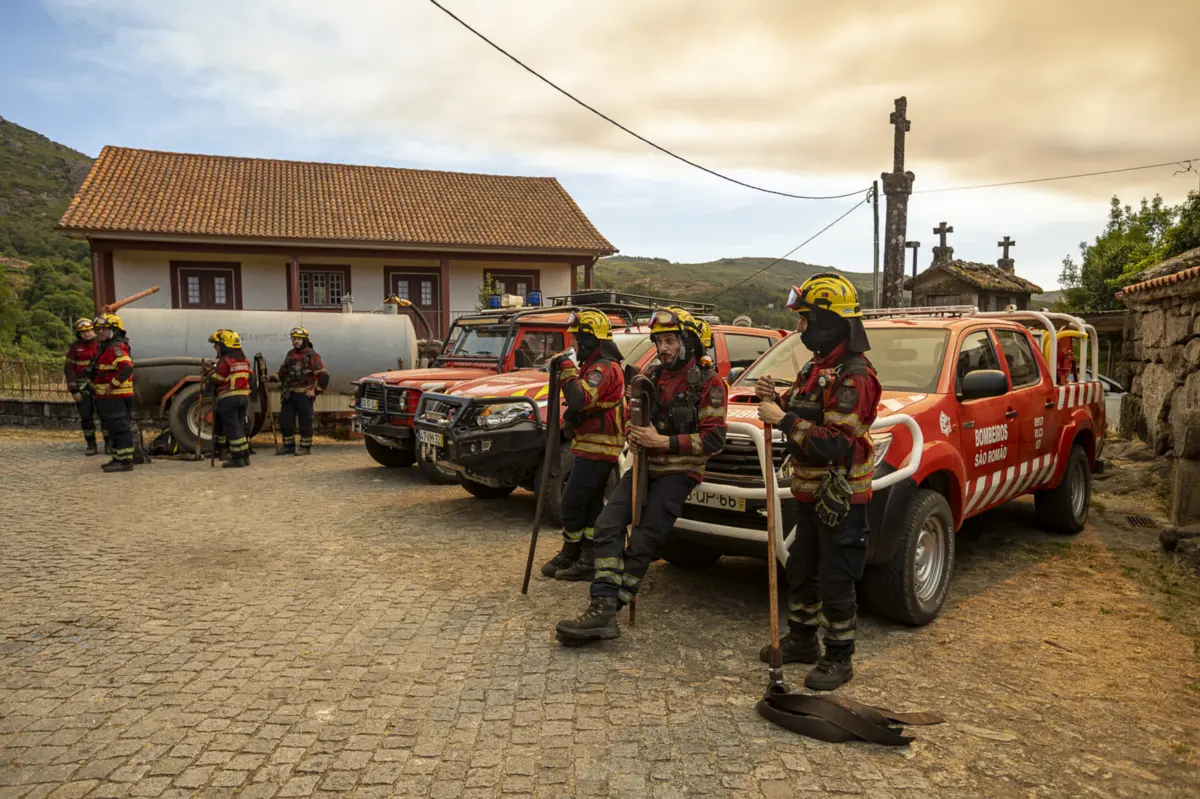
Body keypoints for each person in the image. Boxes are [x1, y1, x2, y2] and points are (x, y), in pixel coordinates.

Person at [555, 307, 727, 643]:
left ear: (688, 341)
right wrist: (635, 433)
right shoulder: (652, 375)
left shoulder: (709, 381)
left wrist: (662, 441)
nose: (663, 348)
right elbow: (634, 414)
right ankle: (602, 603)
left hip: (681, 471)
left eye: (670, 340)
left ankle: (606, 608)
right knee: (607, 524)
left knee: (645, 538)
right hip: (645, 466)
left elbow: (714, 440)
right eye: (659, 341)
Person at [754, 274, 881, 691]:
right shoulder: (817, 366)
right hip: (807, 491)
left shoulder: (855, 376)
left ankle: (839, 657)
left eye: (806, 320)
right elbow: (801, 408)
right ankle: (803, 640)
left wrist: (783, 419)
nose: (801, 329)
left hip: (839, 496)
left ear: (828, 320)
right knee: (803, 568)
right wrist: (775, 397)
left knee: (835, 576)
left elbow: (836, 444)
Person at [540, 309, 626, 582]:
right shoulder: (593, 365)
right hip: (588, 445)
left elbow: (578, 400)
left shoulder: (603, 368)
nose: (574, 345)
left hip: (600, 449)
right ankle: (582, 556)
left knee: (571, 502)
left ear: (590, 341)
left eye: (577, 339)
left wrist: (565, 370)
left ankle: (573, 552)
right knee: (589, 506)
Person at [269, 327, 329, 456]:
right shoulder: (290, 354)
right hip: (289, 394)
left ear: (304, 340)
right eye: (294, 339)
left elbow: (324, 376)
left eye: (298, 339)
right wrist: (270, 378)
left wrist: (315, 391)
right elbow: (282, 373)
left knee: (305, 422)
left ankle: (305, 447)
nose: (296, 341)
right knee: (285, 421)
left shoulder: (312, 355)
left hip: (304, 395)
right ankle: (288, 446)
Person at [89, 313, 136, 473]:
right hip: (109, 398)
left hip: (116, 396)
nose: (99, 332)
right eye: (98, 329)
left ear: (114, 330)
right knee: (113, 428)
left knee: (120, 427)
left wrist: (112, 386)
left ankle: (125, 461)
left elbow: (127, 367)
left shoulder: (115, 347)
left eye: (103, 329)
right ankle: (118, 458)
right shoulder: (106, 347)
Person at [206, 329, 254, 468]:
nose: (215, 347)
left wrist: (209, 375)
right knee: (239, 427)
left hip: (228, 398)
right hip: (243, 397)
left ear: (224, 344)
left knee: (232, 429)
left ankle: (237, 459)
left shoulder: (225, 360)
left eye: (216, 344)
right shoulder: (244, 360)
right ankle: (245, 457)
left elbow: (219, 378)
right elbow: (249, 377)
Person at [64, 318, 100, 455]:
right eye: (83, 332)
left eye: (89, 330)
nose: (87, 334)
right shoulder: (74, 348)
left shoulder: (101, 344)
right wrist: (73, 390)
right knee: (86, 416)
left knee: (106, 415)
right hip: (82, 386)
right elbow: (69, 369)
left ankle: (109, 443)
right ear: (79, 334)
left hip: (99, 384)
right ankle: (91, 444)